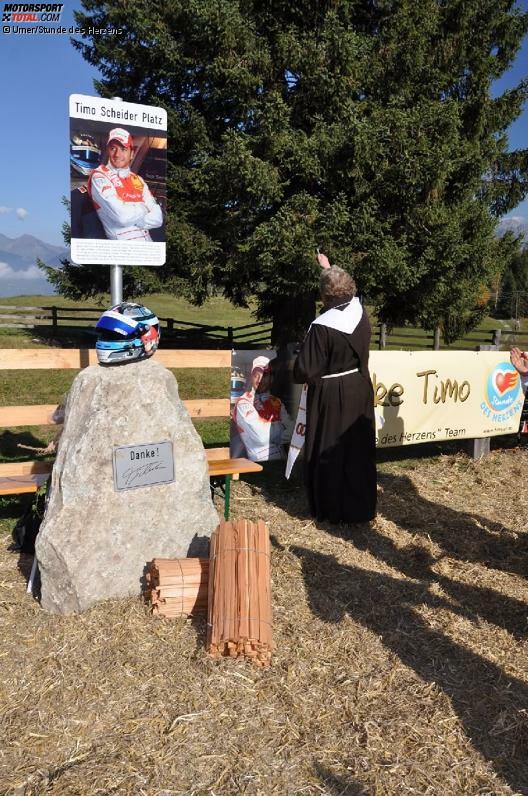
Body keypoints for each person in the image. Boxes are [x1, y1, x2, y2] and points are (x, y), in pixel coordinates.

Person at [292, 252, 377, 524]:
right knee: (356, 449)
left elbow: (306, 369)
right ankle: (359, 509)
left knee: (330, 450)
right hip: (359, 387)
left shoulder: (323, 327)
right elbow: (344, 288)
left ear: (324, 296)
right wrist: (328, 268)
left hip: (331, 395)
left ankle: (332, 510)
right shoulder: (359, 311)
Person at [87, 128, 163, 242]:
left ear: (131, 154)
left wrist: (132, 214)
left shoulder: (138, 180)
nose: (117, 154)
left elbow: (158, 219)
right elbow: (122, 217)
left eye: (123, 149)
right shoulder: (99, 176)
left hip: (148, 248)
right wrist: (144, 208)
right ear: (108, 151)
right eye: (113, 148)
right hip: (122, 251)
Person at [232, 355, 293, 462]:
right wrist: (280, 426)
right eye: (256, 375)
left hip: (281, 461)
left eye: (264, 376)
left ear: (270, 379)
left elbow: (293, 430)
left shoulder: (276, 401)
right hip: (257, 462)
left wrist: (270, 430)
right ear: (251, 377)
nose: (260, 380)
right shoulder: (243, 402)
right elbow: (261, 437)